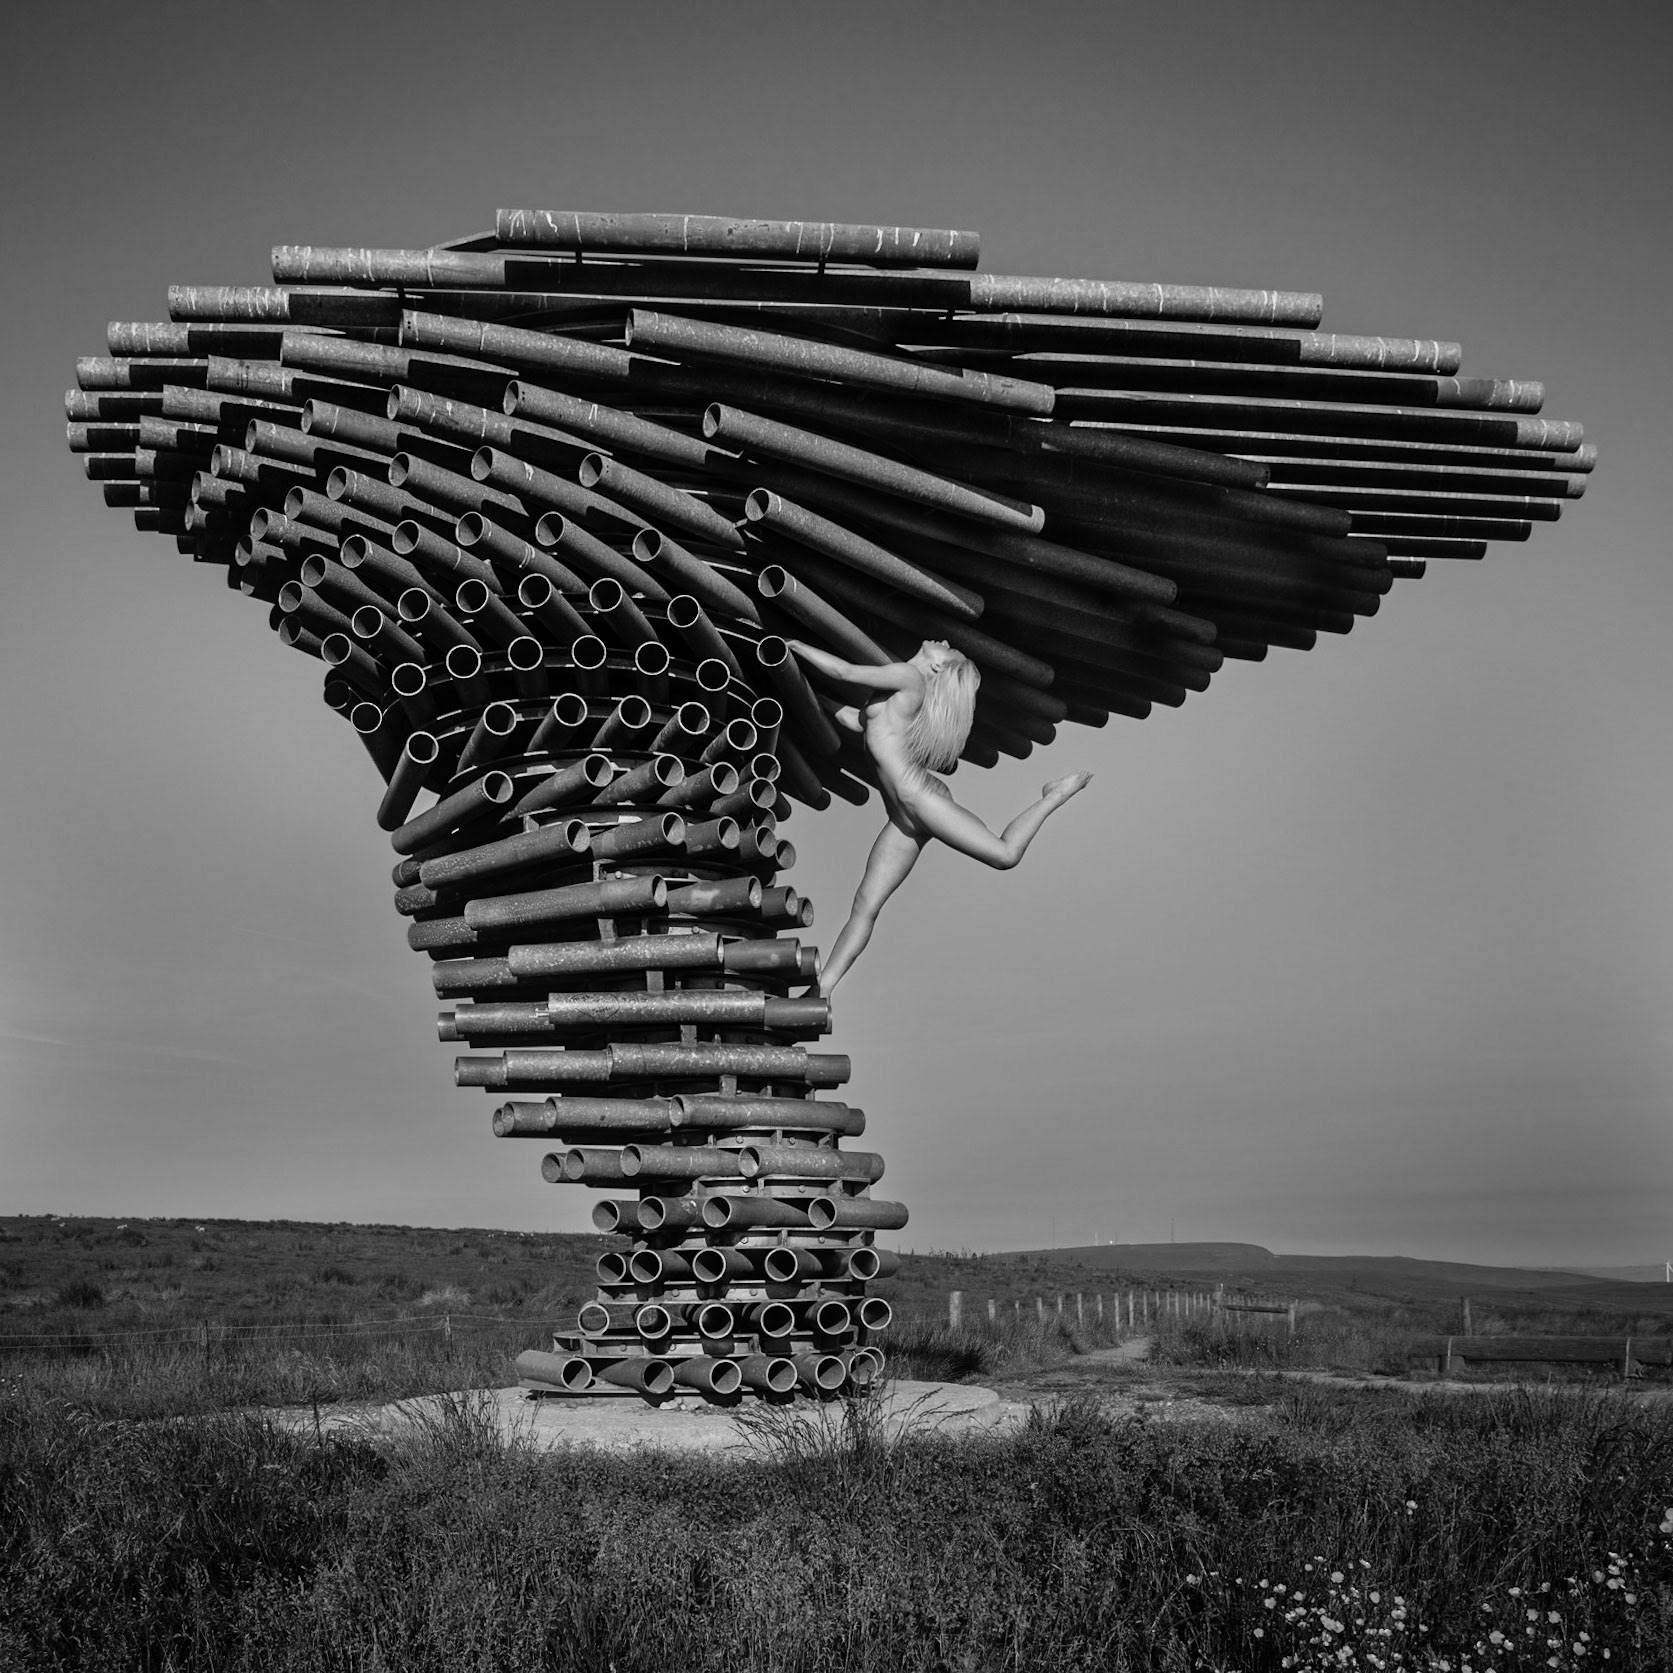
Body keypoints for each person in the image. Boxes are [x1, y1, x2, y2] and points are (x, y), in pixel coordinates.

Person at [789, 638, 1092, 996]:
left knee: (1004, 854)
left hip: (924, 800)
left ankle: (1055, 794)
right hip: (903, 817)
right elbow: (856, 723)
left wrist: (794, 646)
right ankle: (822, 990)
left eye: (950, 651)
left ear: (937, 666)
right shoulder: (900, 693)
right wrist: (799, 687)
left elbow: (845, 671)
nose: (945, 642)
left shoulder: (908, 677)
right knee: (864, 905)